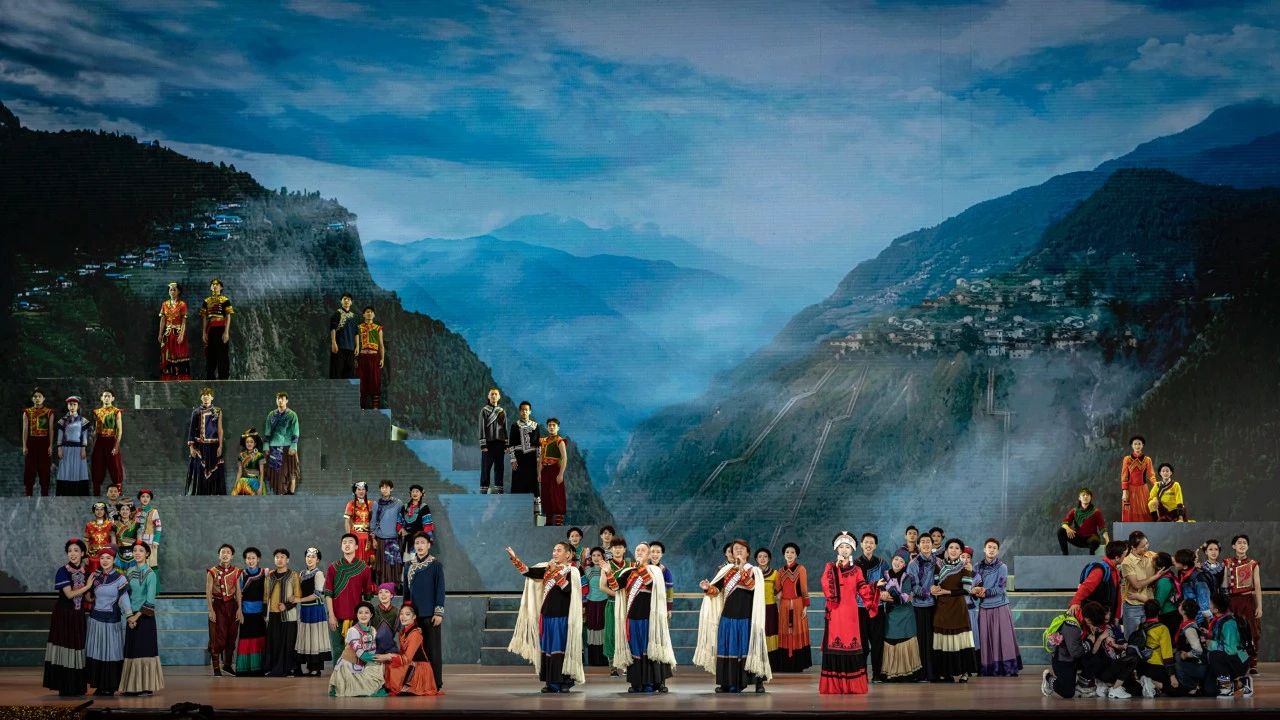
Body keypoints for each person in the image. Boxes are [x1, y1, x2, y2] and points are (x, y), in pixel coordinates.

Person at [505, 543, 586, 693]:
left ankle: (565, 681)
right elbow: (528, 571)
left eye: (559, 550)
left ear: (568, 554)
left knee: (560, 649)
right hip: (547, 615)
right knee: (548, 649)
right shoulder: (547, 569)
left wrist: (555, 572)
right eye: (554, 550)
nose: (555, 553)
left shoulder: (573, 571)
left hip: (562, 617)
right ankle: (552, 683)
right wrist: (515, 559)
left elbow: (567, 589)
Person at [695, 538, 771, 694]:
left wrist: (741, 568)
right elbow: (716, 591)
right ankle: (727, 683)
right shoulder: (726, 571)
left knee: (751, 648)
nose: (738, 550)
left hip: (747, 618)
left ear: (748, 553)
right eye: (735, 548)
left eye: (742, 548)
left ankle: (758, 683)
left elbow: (751, 586)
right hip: (728, 617)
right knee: (728, 649)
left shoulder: (754, 571)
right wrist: (708, 588)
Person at [819, 531, 881, 694]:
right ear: (836, 549)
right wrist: (837, 568)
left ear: (852, 549)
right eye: (841, 547)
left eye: (847, 547)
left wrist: (874, 586)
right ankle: (834, 686)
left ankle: (852, 685)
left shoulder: (857, 570)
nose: (844, 550)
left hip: (851, 613)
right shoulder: (830, 567)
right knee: (834, 644)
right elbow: (826, 585)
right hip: (835, 613)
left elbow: (863, 589)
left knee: (852, 644)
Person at [610, 542, 676, 693]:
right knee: (635, 649)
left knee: (649, 649)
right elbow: (615, 586)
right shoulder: (628, 572)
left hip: (649, 618)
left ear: (648, 554)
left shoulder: (655, 571)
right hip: (632, 617)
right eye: (637, 550)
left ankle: (652, 683)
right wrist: (608, 572)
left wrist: (640, 567)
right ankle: (637, 683)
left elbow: (650, 583)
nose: (639, 552)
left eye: (643, 550)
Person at [44, 538, 92, 697]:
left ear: (82, 553)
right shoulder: (62, 571)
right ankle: (64, 686)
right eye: (70, 551)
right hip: (64, 616)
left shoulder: (86, 572)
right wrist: (88, 586)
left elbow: (87, 598)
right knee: (65, 648)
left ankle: (77, 686)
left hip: (78, 616)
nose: (72, 553)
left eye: (76, 550)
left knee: (77, 649)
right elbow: (70, 594)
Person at [85, 547, 131, 696]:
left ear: (114, 560)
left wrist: (129, 615)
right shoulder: (95, 576)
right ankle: (99, 685)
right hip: (95, 620)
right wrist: (87, 589)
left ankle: (110, 686)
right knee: (97, 651)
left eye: (108, 558)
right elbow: (89, 597)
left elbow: (124, 598)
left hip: (111, 621)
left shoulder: (120, 578)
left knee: (111, 652)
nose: (104, 561)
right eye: (102, 558)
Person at [401, 532, 445, 690]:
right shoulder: (408, 565)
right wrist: (405, 614)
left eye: (422, 542)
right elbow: (406, 592)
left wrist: (438, 612)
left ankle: (435, 683)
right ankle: (416, 682)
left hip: (431, 615)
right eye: (417, 543)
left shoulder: (436, 565)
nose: (419, 546)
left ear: (428, 545)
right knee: (414, 651)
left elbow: (440, 590)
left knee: (432, 650)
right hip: (413, 616)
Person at [973, 538, 1021, 677]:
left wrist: (985, 592)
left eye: (994, 548)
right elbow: (974, 584)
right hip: (984, 607)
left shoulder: (1002, 567)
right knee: (985, 639)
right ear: (984, 549)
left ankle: (1007, 669)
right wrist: (976, 591)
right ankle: (988, 669)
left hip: (1001, 606)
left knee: (1004, 639)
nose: (992, 549)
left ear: (998, 551)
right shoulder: (977, 567)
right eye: (989, 547)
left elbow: (1000, 588)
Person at [931, 538, 977, 682]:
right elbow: (935, 583)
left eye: (957, 548)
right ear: (946, 550)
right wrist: (933, 588)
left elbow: (966, 590)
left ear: (961, 551)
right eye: (951, 547)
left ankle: (964, 672)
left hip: (958, 609)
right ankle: (946, 672)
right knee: (943, 640)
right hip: (942, 609)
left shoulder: (965, 567)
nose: (953, 550)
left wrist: (947, 592)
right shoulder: (939, 566)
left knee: (960, 640)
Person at [120, 542, 163, 696]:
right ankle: (132, 687)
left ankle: (145, 686)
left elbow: (150, 601)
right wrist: (129, 616)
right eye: (134, 550)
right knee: (132, 651)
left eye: (141, 550)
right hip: (131, 617)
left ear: (147, 554)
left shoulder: (151, 574)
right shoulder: (129, 571)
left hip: (144, 618)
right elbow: (124, 595)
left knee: (144, 651)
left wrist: (135, 617)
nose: (137, 553)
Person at [326, 533, 375, 663]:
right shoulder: (333, 567)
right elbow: (328, 593)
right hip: (336, 617)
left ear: (357, 546)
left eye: (350, 542)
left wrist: (365, 617)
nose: (347, 545)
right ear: (341, 546)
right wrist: (331, 615)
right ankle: (338, 674)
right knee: (337, 649)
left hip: (357, 618)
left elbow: (367, 596)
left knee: (357, 649)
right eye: (344, 542)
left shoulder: (364, 568)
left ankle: (355, 675)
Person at [377, 604, 441, 696]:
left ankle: (403, 686)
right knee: (387, 664)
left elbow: (406, 658)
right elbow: (403, 654)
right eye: (401, 614)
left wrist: (388, 656)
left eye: (407, 614)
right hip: (410, 662)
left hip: (419, 667)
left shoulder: (415, 634)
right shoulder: (403, 632)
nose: (403, 617)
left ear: (414, 616)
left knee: (391, 666)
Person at [328, 602, 387, 697]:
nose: (363, 615)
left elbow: (373, 649)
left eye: (366, 612)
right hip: (350, 664)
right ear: (357, 615)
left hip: (363, 662)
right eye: (360, 613)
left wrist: (381, 657)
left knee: (380, 665)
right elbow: (360, 653)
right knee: (379, 662)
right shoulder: (353, 631)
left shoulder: (372, 630)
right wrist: (379, 658)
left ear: (371, 615)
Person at [1222, 534, 1262, 674]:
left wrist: (1259, 606)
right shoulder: (1227, 562)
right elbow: (1224, 584)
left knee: (1252, 631)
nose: (1242, 545)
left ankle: (1253, 663)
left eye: (1245, 542)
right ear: (1234, 546)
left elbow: (1257, 586)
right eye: (1239, 542)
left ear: (1248, 546)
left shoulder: (1253, 564)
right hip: (1231, 602)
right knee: (1233, 631)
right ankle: (1237, 661)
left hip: (1247, 601)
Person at [881, 550, 922, 681]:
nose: (898, 562)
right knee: (891, 641)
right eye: (896, 559)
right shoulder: (884, 575)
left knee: (905, 640)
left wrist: (890, 594)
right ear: (892, 559)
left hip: (905, 614)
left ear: (904, 564)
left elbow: (905, 596)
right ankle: (892, 672)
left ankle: (908, 674)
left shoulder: (907, 577)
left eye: (901, 561)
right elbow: (880, 592)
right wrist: (883, 595)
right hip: (891, 614)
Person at [854, 533, 889, 681]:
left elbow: (888, 582)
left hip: (877, 608)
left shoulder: (882, 563)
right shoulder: (854, 564)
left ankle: (877, 674)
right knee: (861, 643)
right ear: (861, 544)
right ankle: (861, 674)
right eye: (866, 542)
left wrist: (885, 593)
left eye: (871, 543)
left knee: (877, 643)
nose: (868, 545)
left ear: (875, 546)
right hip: (859, 608)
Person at [773, 543, 812, 673]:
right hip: (784, 605)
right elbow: (777, 589)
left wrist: (805, 606)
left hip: (798, 604)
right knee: (784, 629)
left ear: (796, 555)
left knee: (797, 630)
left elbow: (804, 589)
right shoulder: (780, 571)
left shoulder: (801, 569)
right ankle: (786, 663)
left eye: (792, 552)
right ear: (784, 555)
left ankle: (798, 663)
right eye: (787, 552)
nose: (789, 554)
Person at [1068, 540, 1129, 622]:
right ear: (1117, 557)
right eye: (1125, 555)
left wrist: (1117, 616)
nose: (1126, 557)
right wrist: (1075, 602)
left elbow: (1117, 595)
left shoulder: (1115, 571)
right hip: (1095, 617)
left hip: (1107, 616)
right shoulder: (1100, 570)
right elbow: (1086, 587)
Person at [1207, 592, 1253, 698]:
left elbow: (1231, 649)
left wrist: (1211, 644)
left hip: (1238, 661)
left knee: (1214, 655)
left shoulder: (1229, 623)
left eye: (1210, 603)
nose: (1209, 605)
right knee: (1210, 690)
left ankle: (1227, 689)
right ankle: (1243, 682)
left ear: (1216, 609)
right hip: (1228, 660)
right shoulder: (1219, 620)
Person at [264, 548, 302, 677]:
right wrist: (265, 614)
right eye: (277, 557)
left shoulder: (293, 575)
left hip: (289, 615)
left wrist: (286, 606)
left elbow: (298, 596)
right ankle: (272, 668)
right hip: (273, 614)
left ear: (287, 560)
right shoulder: (270, 576)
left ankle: (289, 669)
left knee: (288, 643)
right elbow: (265, 596)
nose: (279, 559)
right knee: (274, 642)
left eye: (282, 557)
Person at [205, 543, 240, 676]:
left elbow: (238, 592)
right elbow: (208, 592)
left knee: (231, 636)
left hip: (232, 606)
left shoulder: (236, 571)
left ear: (232, 556)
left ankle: (227, 665)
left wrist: (239, 609)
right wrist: (211, 610)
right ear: (218, 555)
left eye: (228, 552)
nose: (225, 554)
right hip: (218, 605)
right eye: (223, 552)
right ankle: (216, 667)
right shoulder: (212, 571)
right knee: (217, 636)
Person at [908, 533, 940, 681]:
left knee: (934, 639)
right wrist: (929, 592)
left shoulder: (938, 562)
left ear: (933, 545)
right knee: (920, 639)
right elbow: (913, 587)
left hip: (936, 606)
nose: (926, 544)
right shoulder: (913, 564)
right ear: (918, 545)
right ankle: (921, 673)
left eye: (928, 542)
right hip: (919, 606)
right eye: (923, 542)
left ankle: (934, 672)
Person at [295, 547, 331, 677]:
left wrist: (299, 600)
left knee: (315, 638)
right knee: (307, 638)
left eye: (313, 557)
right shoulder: (301, 574)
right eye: (308, 556)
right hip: (305, 609)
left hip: (315, 609)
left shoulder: (318, 574)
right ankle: (310, 667)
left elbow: (317, 594)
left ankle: (316, 668)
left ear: (318, 560)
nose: (310, 559)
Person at [1040, 603, 1088, 699]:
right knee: (1068, 692)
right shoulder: (1071, 626)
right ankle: (1048, 678)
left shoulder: (1076, 620)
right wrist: (1090, 642)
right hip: (1063, 660)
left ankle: (1077, 682)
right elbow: (1075, 652)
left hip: (1068, 659)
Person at [601, 536, 632, 676]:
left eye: (620, 547)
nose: (617, 550)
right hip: (613, 604)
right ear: (611, 549)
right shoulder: (606, 565)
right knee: (611, 634)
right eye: (614, 547)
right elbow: (602, 586)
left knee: (626, 632)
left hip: (627, 606)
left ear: (624, 549)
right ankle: (613, 665)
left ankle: (626, 664)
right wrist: (618, 596)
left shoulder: (630, 565)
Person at [1119, 530, 1159, 638]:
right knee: (1132, 638)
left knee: (1150, 638)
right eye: (1143, 546)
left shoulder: (1151, 555)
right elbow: (1136, 585)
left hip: (1149, 605)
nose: (1147, 547)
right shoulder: (1127, 562)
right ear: (1133, 547)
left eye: (1147, 543)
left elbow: (1168, 560)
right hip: (1133, 607)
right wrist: (1155, 577)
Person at [185, 387, 225, 495]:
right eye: (204, 395)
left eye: (208, 395)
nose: (206, 397)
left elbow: (220, 429)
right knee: (200, 472)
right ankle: (200, 495)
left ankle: (214, 495)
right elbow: (191, 430)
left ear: (212, 397)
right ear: (201, 398)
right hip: (200, 447)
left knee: (214, 472)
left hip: (214, 446)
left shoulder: (217, 411)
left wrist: (220, 446)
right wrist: (191, 447)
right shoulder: (196, 412)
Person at [234, 547, 268, 676]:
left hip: (260, 613)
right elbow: (238, 595)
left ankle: (259, 668)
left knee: (259, 639)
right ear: (245, 560)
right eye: (248, 558)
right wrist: (239, 611)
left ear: (258, 559)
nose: (251, 560)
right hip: (246, 612)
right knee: (245, 639)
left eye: (253, 558)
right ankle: (244, 668)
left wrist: (266, 613)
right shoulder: (241, 574)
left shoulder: (264, 573)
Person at [1137, 598, 1176, 697]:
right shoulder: (1162, 629)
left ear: (1145, 612)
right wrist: (1172, 676)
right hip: (1156, 667)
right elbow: (1167, 654)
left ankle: (1146, 683)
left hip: (1141, 667)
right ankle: (1153, 683)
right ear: (1159, 612)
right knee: (1175, 689)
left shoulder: (1140, 627)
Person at [263, 392, 301, 495]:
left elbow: (295, 432)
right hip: (274, 447)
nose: (280, 401)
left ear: (286, 401)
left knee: (291, 470)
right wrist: (266, 446)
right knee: (277, 473)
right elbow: (267, 432)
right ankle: (280, 494)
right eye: (278, 399)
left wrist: (293, 446)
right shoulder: (271, 415)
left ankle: (291, 493)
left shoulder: (292, 415)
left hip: (288, 446)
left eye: (282, 399)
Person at [55, 397, 92, 496]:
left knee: (78, 470)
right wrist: (59, 448)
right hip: (65, 449)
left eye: (74, 404)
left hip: (78, 449)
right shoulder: (62, 420)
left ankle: (79, 494)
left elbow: (84, 436)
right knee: (65, 470)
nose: (72, 406)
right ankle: (64, 494)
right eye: (70, 404)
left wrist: (83, 448)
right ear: (67, 406)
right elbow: (60, 436)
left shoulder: (82, 420)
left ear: (78, 406)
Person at [90, 390, 125, 496]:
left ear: (112, 398)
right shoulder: (97, 412)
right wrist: (92, 439)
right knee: (97, 465)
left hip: (111, 441)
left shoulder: (116, 411)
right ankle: (96, 494)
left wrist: (116, 446)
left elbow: (119, 430)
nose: (106, 398)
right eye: (105, 396)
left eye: (109, 396)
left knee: (115, 466)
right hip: (100, 441)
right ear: (101, 398)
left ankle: (118, 494)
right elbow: (96, 430)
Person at [22, 388, 54, 496]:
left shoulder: (49, 412)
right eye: (35, 396)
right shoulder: (27, 412)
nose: (37, 398)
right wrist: (24, 445)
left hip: (44, 443)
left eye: (39, 396)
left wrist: (50, 445)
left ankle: (45, 498)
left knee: (44, 472)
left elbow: (51, 430)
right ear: (32, 399)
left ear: (43, 398)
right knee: (29, 471)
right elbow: (25, 430)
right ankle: (28, 497)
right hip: (31, 443)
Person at [371, 480, 403, 589]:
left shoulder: (398, 503)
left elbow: (402, 520)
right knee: (381, 567)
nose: (384, 489)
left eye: (387, 487)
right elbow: (373, 522)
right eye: (382, 487)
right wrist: (373, 539)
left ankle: (394, 588)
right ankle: (383, 589)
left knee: (394, 566)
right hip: (380, 539)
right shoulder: (376, 504)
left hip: (394, 539)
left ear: (391, 489)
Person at [200, 278, 234, 380]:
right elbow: (205, 318)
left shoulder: (225, 300)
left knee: (222, 354)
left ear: (221, 287)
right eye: (213, 284)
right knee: (210, 354)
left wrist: (226, 332)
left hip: (221, 328)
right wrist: (204, 333)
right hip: (211, 329)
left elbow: (228, 316)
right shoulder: (206, 301)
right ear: (211, 287)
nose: (215, 286)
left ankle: (223, 378)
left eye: (217, 284)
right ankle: (210, 378)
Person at [1058, 487, 1109, 555]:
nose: (1085, 496)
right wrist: (1068, 528)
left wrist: (1107, 541)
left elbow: (1102, 528)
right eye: (1083, 495)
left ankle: (1091, 558)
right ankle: (1065, 554)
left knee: (1095, 541)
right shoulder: (1074, 511)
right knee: (1061, 531)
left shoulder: (1096, 512)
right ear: (1079, 498)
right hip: (1077, 538)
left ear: (1091, 497)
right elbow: (1064, 523)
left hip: (1091, 538)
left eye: (1087, 495)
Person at [1172, 598, 1207, 696]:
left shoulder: (1189, 629)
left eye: (1181, 605)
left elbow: (1198, 651)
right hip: (1195, 665)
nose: (1179, 605)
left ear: (1183, 611)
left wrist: (1186, 655)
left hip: (1198, 666)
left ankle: (1192, 686)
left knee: (1178, 656)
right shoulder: (1189, 624)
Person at [157, 281, 191, 381]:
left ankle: (181, 377)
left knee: (179, 354)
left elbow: (184, 321)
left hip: (178, 333)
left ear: (178, 291)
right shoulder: (165, 304)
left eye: (174, 290)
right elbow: (163, 320)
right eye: (170, 290)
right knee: (166, 355)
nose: (172, 291)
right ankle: (168, 377)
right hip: (167, 334)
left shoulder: (182, 304)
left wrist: (181, 334)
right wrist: (160, 334)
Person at [509, 402, 542, 502]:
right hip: (519, 457)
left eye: (526, 410)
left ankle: (535, 504)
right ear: (520, 411)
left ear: (530, 411)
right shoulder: (515, 426)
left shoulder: (535, 426)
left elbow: (538, 444)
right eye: (522, 410)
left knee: (532, 479)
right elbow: (511, 444)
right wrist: (513, 459)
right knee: (518, 479)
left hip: (532, 458)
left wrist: (539, 460)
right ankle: (517, 504)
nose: (524, 412)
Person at [583, 547, 609, 666]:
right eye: (594, 555)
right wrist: (583, 606)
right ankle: (594, 662)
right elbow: (583, 590)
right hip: (591, 604)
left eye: (599, 555)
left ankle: (606, 662)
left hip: (605, 603)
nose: (596, 558)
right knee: (592, 629)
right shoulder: (587, 570)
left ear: (603, 556)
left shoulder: (608, 570)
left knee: (605, 629)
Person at [1120, 435, 1156, 523]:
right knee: (1130, 512)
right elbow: (1124, 476)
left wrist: (1157, 485)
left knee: (1145, 510)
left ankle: (1145, 530)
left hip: (1143, 489)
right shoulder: (1127, 459)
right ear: (1132, 446)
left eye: (1139, 444)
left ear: (1142, 445)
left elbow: (1151, 475)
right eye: (1135, 444)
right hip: (1130, 490)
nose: (1137, 446)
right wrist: (1124, 491)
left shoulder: (1147, 460)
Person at [539, 418, 568, 526]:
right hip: (545, 470)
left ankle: (559, 522)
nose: (551, 427)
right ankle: (548, 521)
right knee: (546, 495)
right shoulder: (543, 441)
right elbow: (541, 459)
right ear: (547, 427)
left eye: (554, 425)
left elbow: (564, 458)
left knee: (557, 495)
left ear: (558, 428)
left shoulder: (560, 441)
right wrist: (539, 473)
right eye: (549, 425)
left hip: (555, 470)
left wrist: (561, 474)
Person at [356, 306, 386, 409]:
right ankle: (361, 408)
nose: (369, 313)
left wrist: (382, 359)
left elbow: (381, 345)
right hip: (362, 357)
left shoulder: (378, 328)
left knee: (375, 381)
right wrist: (355, 358)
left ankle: (375, 409)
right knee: (361, 382)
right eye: (367, 312)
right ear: (363, 314)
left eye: (371, 312)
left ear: (374, 315)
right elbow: (355, 345)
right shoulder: (359, 327)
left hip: (374, 357)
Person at [755, 548, 781, 668]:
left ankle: (772, 662)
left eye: (765, 556)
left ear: (769, 559)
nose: (762, 559)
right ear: (756, 559)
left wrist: (778, 596)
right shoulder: (752, 573)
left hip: (770, 607)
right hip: (756, 608)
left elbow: (779, 590)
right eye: (760, 556)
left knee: (771, 631)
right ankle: (758, 661)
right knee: (758, 631)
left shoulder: (775, 573)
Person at [479, 388, 507, 494]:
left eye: (496, 394)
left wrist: (506, 444)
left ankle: (499, 491)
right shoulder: (484, 410)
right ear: (488, 396)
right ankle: (483, 491)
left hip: (500, 444)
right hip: (488, 444)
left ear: (499, 397)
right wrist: (483, 445)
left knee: (499, 468)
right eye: (492, 394)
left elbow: (505, 428)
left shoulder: (502, 411)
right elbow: (481, 428)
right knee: (486, 468)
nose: (494, 396)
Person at [344, 482, 375, 565]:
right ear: (355, 491)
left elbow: (374, 521)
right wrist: (348, 537)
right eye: (359, 489)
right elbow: (347, 521)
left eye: (363, 489)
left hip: (368, 537)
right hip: (355, 537)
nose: (361, 491)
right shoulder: (350, 504)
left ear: (366, 491)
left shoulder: (371, 504)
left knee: (370, 561)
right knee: (356, 561)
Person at [329, 293, 357, 380]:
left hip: (351, 348)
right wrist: (333, 342)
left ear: (351, 302)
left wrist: (357, 346)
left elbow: (356, 333)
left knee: (350, 372)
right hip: (339, 347)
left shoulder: (354, 316)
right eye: (344, 299)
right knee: (337, 371)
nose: (346, 301)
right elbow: (333, 329)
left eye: (348, 299)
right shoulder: (337, 314)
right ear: (341, 301)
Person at [231, 429, 267, 496]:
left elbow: (262, 473)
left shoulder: (259, 455)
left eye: (251, 442)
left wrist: (260, 487)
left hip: (256, 482)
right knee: (240, 482)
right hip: (244, 482)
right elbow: (240, 472)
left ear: (255, 444)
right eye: (247, 442)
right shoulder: (241, 455)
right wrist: (235, 486)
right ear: (245, 444)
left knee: (242, 481)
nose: (249, 444)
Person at [136, 490, 162, 579]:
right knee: (140, 563)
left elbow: (158, 527)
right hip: (139, 541)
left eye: (147, 497)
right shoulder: (136, 511)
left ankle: (153, 585)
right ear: (139, 498)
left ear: (150, 499)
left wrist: (156, 540)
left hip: (151, 542)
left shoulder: (154, 511)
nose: (145, 499)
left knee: (152, 563)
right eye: (143, 496)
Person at [83, 502, 115, 574]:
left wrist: (114, 555)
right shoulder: (89, 525)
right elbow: (86, 541)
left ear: (105, 511)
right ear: (94, 511)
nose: (99, 511)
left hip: (107, 555)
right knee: (94, 575)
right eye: (97, 509)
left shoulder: (110, 524)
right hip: (93, 556)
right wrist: (85, 556)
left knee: (106, 575)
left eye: (101, 509)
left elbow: (113, 542)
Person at [371, 584, 399, 654]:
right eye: (380, 592)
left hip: (391, 649)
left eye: (386, 591)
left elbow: (403, 630)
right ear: (378, 595)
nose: (383, 594)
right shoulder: (372, 611)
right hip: (375, 649)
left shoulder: (397, 612)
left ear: (391, 595)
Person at [113, 501, 139, 575]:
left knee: (134, 576)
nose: (125, 511)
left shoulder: (136, 524)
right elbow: (113, 542)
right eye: (122, 509)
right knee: (119, 576)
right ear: (119, 511)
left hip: (133, 555)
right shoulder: (114, 525)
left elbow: (139, 541)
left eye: (127, 509)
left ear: (130, 512)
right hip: (119, 554)